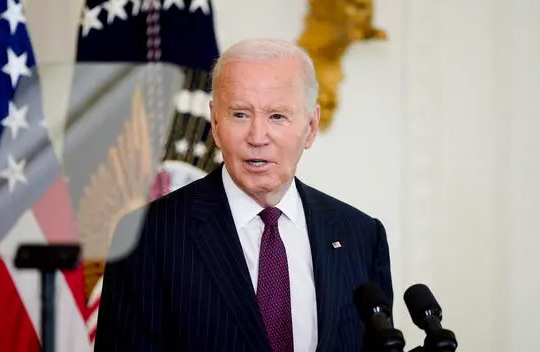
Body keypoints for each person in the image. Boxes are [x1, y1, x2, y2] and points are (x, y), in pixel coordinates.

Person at [94, 38, 393, 352]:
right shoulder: (148, 235)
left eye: (277, 116)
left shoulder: (361, 236)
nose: (257, 136)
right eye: (240, 115)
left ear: (311, 125)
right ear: (215, 122)